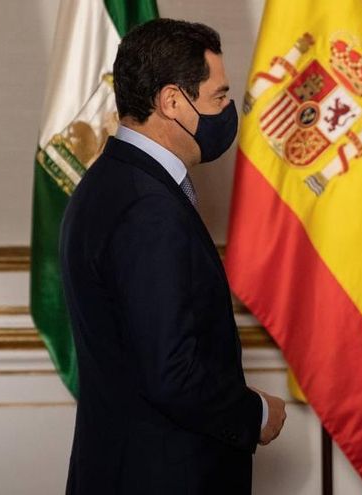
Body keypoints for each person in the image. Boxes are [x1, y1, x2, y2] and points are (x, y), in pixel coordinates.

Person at [60, 19, 286, 494]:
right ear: (172, 101)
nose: (228, 110)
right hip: (161, 475)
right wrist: (254, 413)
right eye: (219, 96)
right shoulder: (149, 208)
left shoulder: (110, 181)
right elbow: (171, 373)